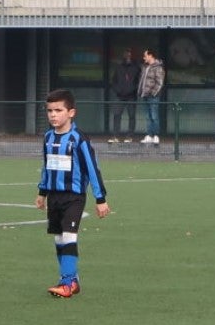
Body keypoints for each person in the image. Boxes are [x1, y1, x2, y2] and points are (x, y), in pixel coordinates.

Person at [35, 88, 109, 298]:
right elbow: (47, 166)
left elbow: (92, 169)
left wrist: (100, 198)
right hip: (54, 196)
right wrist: (42, 192)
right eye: (50, 111)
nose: (53, 115)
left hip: (74, 197)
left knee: (68, 235)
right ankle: (71, 280)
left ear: (71, 113)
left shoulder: (78, 139)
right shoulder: (48, 137)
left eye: (58, 110)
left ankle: (67, 282)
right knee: (59, 239)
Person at [109, 48, 140, 142]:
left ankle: (129, 136)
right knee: (117, 115)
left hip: (131, 96)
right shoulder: (119, 67)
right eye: (126, 54)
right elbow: (114, 81)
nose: (128, 57)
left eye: (129, 55)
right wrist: (118, 90)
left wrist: (132, 90)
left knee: (131, 116)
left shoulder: (136, 68)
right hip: (119, 96)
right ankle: (115, 136)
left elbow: (138, 82)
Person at [138, 48, 166, 145]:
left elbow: (160, 82)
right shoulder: (145, 67)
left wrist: (153, 93)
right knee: (148, 116)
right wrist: (141, 92)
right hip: (145, 95)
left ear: (151, 56)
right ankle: (149, 135)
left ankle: (156, 136)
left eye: (145, 56)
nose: (144, 58)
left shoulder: (158, 67)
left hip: (153, 96)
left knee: (154, 116)